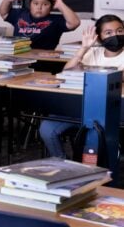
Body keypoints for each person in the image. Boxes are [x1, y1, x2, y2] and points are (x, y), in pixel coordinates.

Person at [40, 15, 124, 158]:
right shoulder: (93, 52)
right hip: (80, 107)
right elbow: (66, 72)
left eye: (120, 31)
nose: (115, 35)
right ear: (99, 37)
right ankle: (64, 166)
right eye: (108, 33)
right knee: (47, 128)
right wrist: (84, 48)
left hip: (110, 111)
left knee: (96, 140)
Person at [0, 0, 80, 50]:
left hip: (43, 62)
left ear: (51, 7)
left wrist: (60, 4)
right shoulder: (20, 14)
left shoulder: (55, 20)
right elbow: (4, 13)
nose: (39, 7)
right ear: (30, 4)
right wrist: (7, 0)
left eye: (45, 4)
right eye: (36, 3)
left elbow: (75, 23)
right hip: (19, 58)